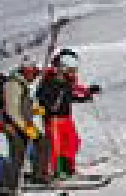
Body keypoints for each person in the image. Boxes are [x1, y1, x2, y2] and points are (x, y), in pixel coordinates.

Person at [34, 49, 101, 181]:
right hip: (53, 119)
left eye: (74, 70)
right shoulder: (49, 79)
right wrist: (49, 105)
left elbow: (70, 95)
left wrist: (86, 95)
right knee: (55, 146)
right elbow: (40, 96)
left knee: (73, 141)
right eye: (71, 69)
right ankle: (54, 172)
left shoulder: (67, 80)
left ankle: (68, 168)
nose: (74, 73)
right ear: (63, 67)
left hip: (66, 118)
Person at [0, 63, 42, 196]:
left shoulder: (21, 84)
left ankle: (10, 187)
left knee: (18, 157)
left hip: (20, 126)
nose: (35, 77)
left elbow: (22, 106)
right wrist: (25, 127)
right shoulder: (14, 84)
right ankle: (6, 189)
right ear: (27, 71)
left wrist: (34, 110)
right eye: (34, 74)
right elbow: (12, 110)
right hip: (14, 127)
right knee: (16, 157)